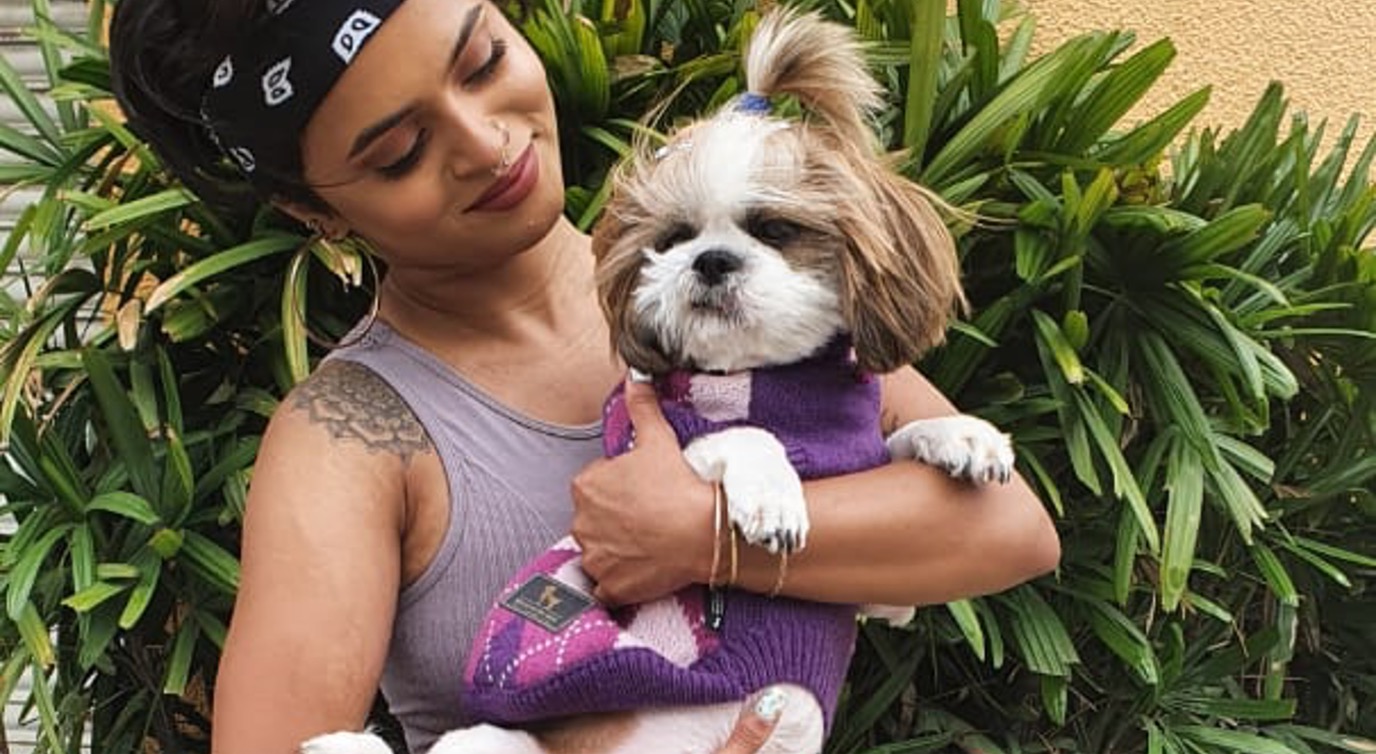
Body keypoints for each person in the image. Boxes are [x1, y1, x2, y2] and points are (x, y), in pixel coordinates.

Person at [108, 1, 1062, 753]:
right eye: (399, 152)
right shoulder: (348, 439)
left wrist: (698, 537)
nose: (485, 142)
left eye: (482, 59)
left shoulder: (706, 266)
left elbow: (1005, 528)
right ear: (312, 209)